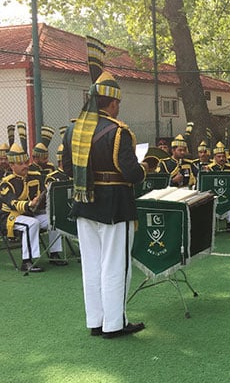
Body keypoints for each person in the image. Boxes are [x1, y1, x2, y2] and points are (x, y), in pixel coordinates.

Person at [62, 57, 146, 338]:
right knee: (115, 266)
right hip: (115, 205)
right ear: (110, 103)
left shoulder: (73, 129)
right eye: (117, 103)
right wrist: (146, 167)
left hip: (84, 204)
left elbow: (66, 169)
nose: (118, 107)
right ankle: (115, 324)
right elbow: (131, 173)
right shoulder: (118, 131)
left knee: (92, 265)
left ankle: (96, 322)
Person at [0, 143, 66, 272]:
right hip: (10, 216)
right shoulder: (6, 182)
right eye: (21, 164)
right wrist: (29, 204)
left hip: (31, 213)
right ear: (12, 165)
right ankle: (27, 261)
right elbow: (12, 203)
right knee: (32, 223)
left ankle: (55, 254)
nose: (25, 166)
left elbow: (46, 187)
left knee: (54, 218)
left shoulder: (35, 175)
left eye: (26, 162)